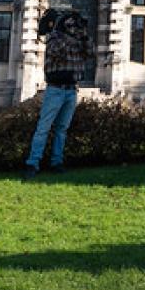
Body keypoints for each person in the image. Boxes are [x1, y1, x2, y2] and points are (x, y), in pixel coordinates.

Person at [23, 12, 93, 180]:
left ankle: (57, 162)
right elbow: (59, 53)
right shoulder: (55, 39)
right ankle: (32, 163)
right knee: (44, 128)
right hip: (55, 89)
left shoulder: (78, 40)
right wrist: (66, 32)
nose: (75, 29)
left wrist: (83, 35)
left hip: (71, 90)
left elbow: (90, 53)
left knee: (62, 129)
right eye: (72, 25)